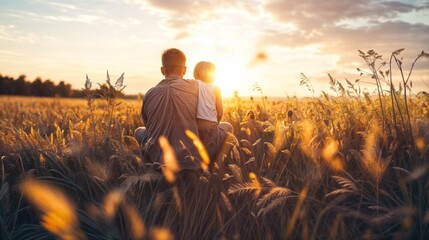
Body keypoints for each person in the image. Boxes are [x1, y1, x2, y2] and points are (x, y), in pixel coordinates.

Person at [134, 48, 230, 171]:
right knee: (226, 127)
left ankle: (147, 162)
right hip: (191, 158)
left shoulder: (149, 94)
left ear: (162, 70)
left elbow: (148, 126)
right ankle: (213, 168)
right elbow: (212, 118)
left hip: (157, 161)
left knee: (139, 131)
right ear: (184, 70)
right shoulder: (198, 87)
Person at [193, 61, 233, 160]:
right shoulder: (216, 88)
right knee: (228, 127)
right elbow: (220, 112)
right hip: (210, 126)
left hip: (194, 126)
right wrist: (215, 123)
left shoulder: (193, 84)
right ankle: (218, 161)